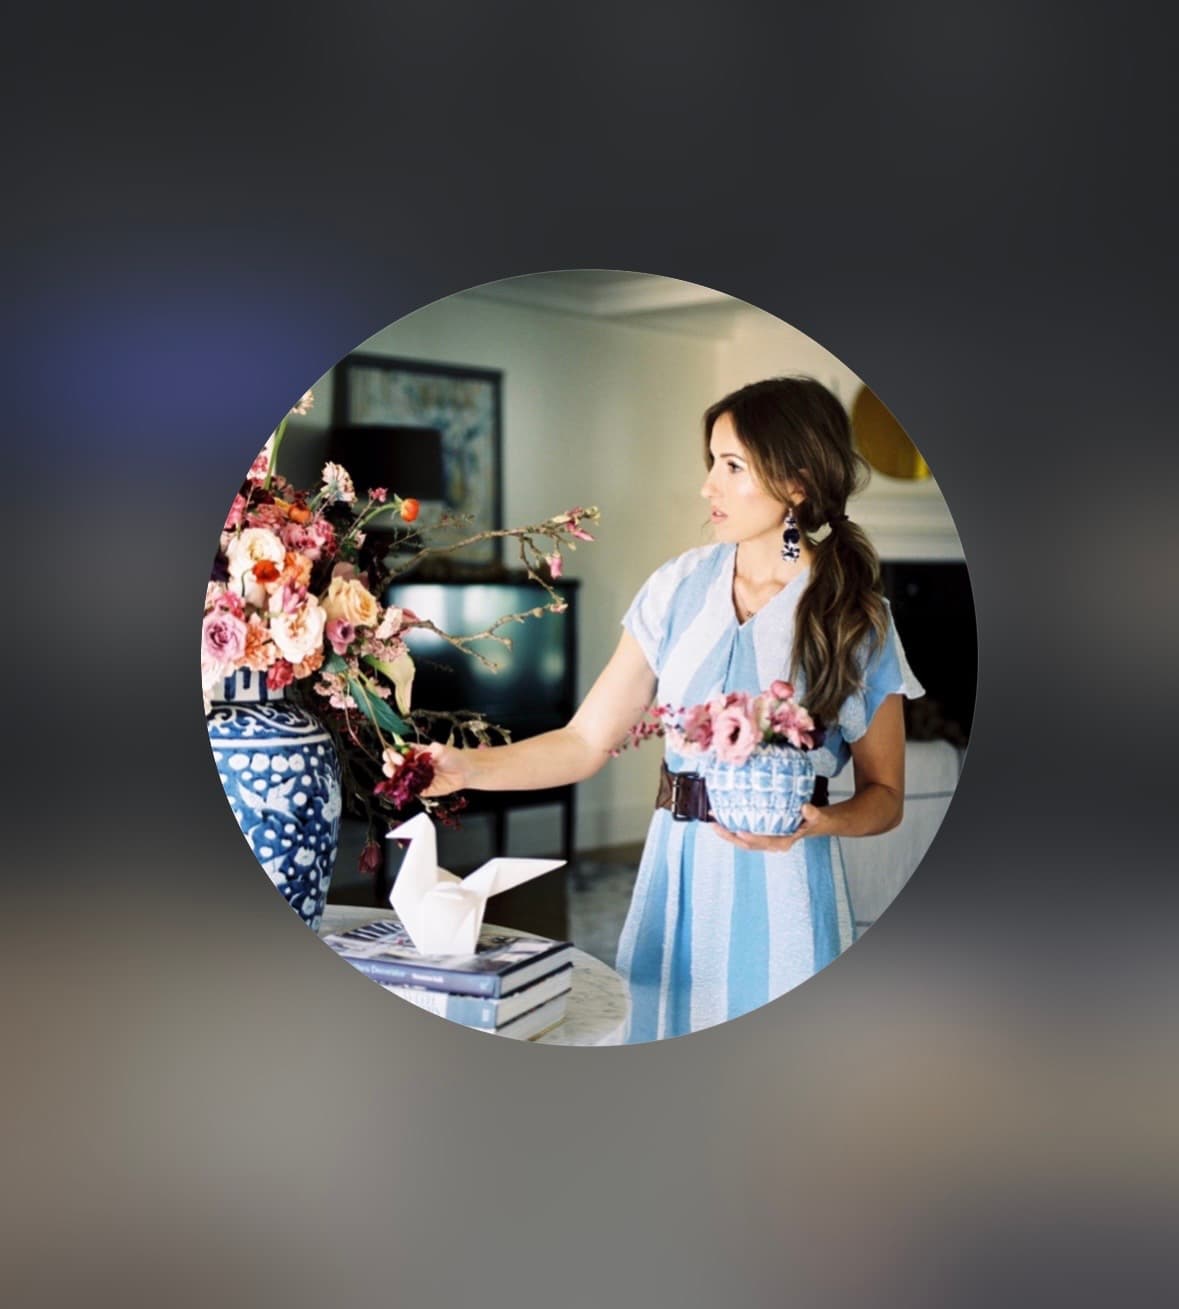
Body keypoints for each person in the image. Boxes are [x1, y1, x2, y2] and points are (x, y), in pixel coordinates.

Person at [422, 376, 924, 1042]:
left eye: (732, 466)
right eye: (711, 462)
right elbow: (584, 740)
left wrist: (821, 821)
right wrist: (468, 769)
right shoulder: (677, 586)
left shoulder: (856, 619)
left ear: (796, 483)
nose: (707, 485)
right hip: (676, 882)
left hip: (787, 894)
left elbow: (886, 796)